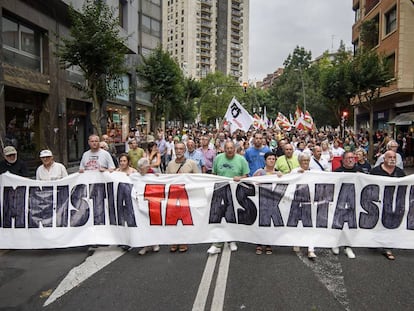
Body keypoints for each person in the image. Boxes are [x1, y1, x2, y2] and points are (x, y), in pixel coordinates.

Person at [207, 141, 249, 255]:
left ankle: (232, 240)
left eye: (231, 148)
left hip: (235, 192)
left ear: (234, 149)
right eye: (227, 148)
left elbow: (246, 176)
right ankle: (217, 244)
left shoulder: (241, 160)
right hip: (220, 191)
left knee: (232, 216)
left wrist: (239, 177)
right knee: (218, 216)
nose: (230, 150)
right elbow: (214, 174)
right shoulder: (218, 159)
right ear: (224, 149)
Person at [370, 150, 405, 260]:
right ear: (384, 159)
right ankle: (374, 241)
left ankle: (387, 247)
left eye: (394, 157)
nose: (392, 159)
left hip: (393, 204)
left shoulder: (400, 172)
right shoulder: (375, 171)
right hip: (377, 203)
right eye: (389, 157)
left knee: (389, 224)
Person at [165, 142, 199, 253]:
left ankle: (183, 241)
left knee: (184, 219)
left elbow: (198, 180)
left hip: (186, 196)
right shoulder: (170, 164)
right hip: (173, 195)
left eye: (181, 149)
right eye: (176, 149)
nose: (178, 151)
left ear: (184, 151)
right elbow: (165, 180)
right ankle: (174, 241)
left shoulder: (191, 163)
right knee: (173, 219)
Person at [332, 151, 363, 259]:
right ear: (343, 160)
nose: (350, 160)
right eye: (348, 158)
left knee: (351, 225)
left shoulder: (360, 172)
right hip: (340, 203)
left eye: (352, 158)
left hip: (354, 203)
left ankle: (348, 247)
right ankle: (335, 243)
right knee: (338, 223)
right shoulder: (337, 172)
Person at [253, 152, 282, 255]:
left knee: (270, 223)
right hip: (261, 200)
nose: (271, 161)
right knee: (260, 222)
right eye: (269, 159)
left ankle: (268, 244)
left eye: (273, 159)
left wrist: (280, 177)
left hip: (273, 201)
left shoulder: (278, 173)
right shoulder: (259, 172)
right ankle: (259, 243)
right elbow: (252, 183)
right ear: (265, 160)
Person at [289, 153, 317, 259]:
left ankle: (311, 249)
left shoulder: (314, 172)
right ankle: (296, 242)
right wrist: (297, 174)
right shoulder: (294, 171)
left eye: (307, 160)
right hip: (295, 201)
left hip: (309, 202)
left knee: (309, 224)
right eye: (303, 161)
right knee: (296, 222)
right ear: (299, 162)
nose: (305, 162)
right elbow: (287, 181)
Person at [137, 157, 160, 255]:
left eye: (142, 168)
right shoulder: (136, 175)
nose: (140, 170)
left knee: (152, 222)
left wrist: (157, 177)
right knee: (143, 224)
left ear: (147, 167)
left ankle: (155, 243)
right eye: (139, 168)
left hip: (152, 202)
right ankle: (145, 245)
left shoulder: (153, 173)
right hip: (141, 202)